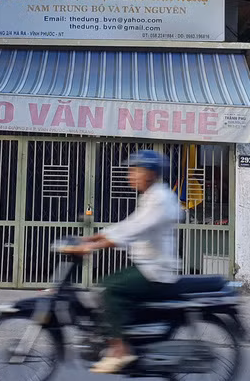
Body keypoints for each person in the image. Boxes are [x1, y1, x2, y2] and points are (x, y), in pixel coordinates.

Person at [70, 150, 183, 374]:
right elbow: (127, 225)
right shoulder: (150, 196)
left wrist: (93, 246)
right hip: (146, 265)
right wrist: (91, 238)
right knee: (109, 284)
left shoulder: (160, 199)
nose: (130, 175)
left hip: (155, 271)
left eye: (136, 171)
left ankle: (120, 351)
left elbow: (134, 230)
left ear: (150, 173)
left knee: (108, 288)